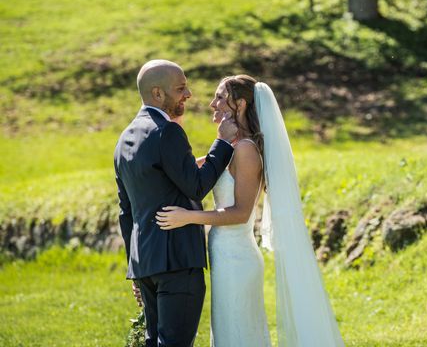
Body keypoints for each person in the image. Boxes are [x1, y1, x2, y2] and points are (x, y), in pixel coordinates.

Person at [155, 74, 345, 347]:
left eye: (220, 97)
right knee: (228, 333)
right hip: (225, 255)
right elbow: (191, 171)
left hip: (237, 258)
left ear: (240, 104)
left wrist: (188, 218)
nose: (212, 103)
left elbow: (241, 213)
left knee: (237, 335)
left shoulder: (245, 150)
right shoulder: (230, 147)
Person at [114, 59, 237, 347]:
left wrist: (134, 266)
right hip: (176, 260)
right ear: (158, 93)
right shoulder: (166, 131)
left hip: (145, 263)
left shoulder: (125, 139)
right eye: (181, 88)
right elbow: (196, 186)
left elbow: (126, 211)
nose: (189, 95)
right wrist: (223, 143)